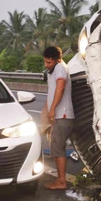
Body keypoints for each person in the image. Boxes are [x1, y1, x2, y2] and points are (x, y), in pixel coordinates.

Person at [42, 45, 74, 190]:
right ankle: (60, 180)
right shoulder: (55, 69)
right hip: (60, 114)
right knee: (56, 147)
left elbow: (60, 88)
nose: (46, 65)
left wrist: (53, 109)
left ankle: (61, 181)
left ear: (58, 59)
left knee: (58, 148)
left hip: (63, 114)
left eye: (49, 62)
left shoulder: (60, 67)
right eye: (45, 62)